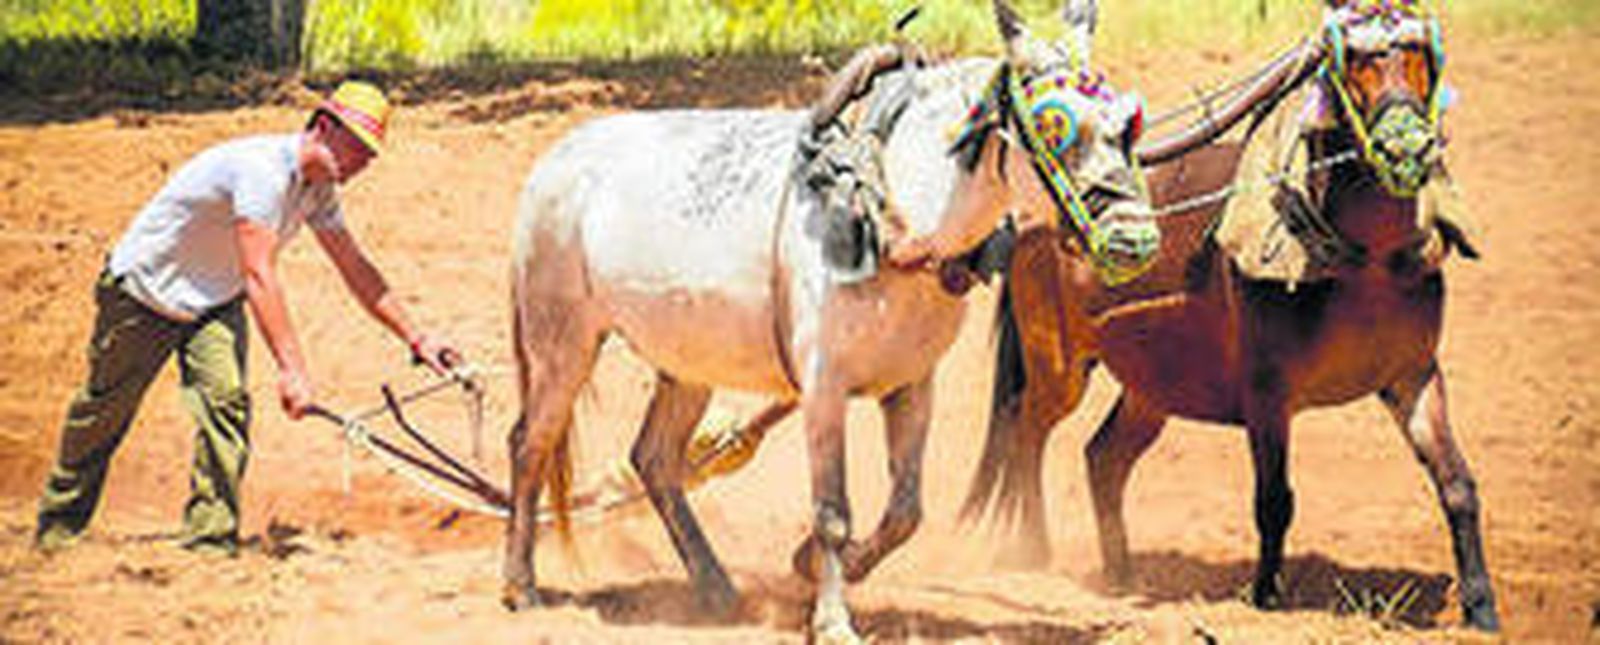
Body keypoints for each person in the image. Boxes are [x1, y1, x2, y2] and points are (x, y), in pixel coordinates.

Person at [34, 81, 462, 556]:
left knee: (226, 404)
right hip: (142, 295)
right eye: (360, 146)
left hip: (212, 303)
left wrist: (417, 339)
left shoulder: (318, 192)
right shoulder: (263, 172)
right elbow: (259, 274)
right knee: (103, 413)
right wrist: (293, 369)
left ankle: (209, 541)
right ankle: (57, 529)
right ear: (323, 127)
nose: (365, 161)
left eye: (371, 153)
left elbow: (355, 269)